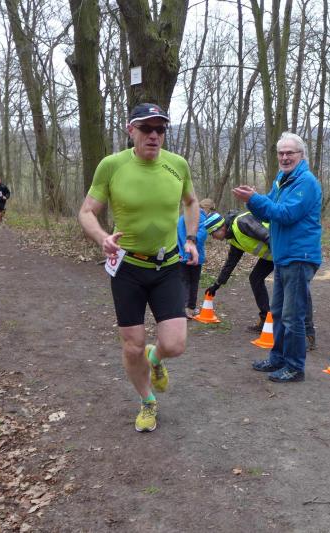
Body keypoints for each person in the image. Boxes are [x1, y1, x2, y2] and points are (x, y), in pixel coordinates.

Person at [78, 102, 200, 433]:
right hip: (128, 267)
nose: (154, 135)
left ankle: (156, 358)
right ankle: (147, 401)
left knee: (174, 344)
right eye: (146, 128)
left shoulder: (177, 165)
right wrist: (102, 237)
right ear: (130, 130)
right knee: (132, 347)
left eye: (160, 129)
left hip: (168, 265)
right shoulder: (112, 166)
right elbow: (86, 211)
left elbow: (191, 202)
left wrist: (191, 239)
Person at [233, 132, 321, 383]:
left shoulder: (306, 182)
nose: (284, 157)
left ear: (301, 155)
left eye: (289, 153)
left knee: (293, 316)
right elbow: (267, 212)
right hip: (283, 256)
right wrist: (253, 200)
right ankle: (278, 358)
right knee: (279, 312)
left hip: (299, 255)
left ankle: (295, 367)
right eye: (281, 153)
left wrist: (255, 199)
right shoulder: (282, 180)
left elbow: (285, 214)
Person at [207, 210, 319, 348]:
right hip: (274, 255)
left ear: (220, 227)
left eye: (212, 233)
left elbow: (270, 237)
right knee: (255, 278)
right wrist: (217, 284)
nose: (213, 237)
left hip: (288, 250)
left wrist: (282, 262)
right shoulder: (233, 237)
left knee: (297, 287)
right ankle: (266, 320)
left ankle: (308, 333)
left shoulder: (242, 223)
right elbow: (231, 263)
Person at [177, 208, 211, 319]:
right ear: (208, 209)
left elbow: (177, 236)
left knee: (183, 281)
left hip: (181, 255)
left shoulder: (181, 218)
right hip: (194, 257)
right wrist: (190, 255)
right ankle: (190, 308)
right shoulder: (201, 218)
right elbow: (200, 237)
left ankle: (182, 308)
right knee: (193, 282)